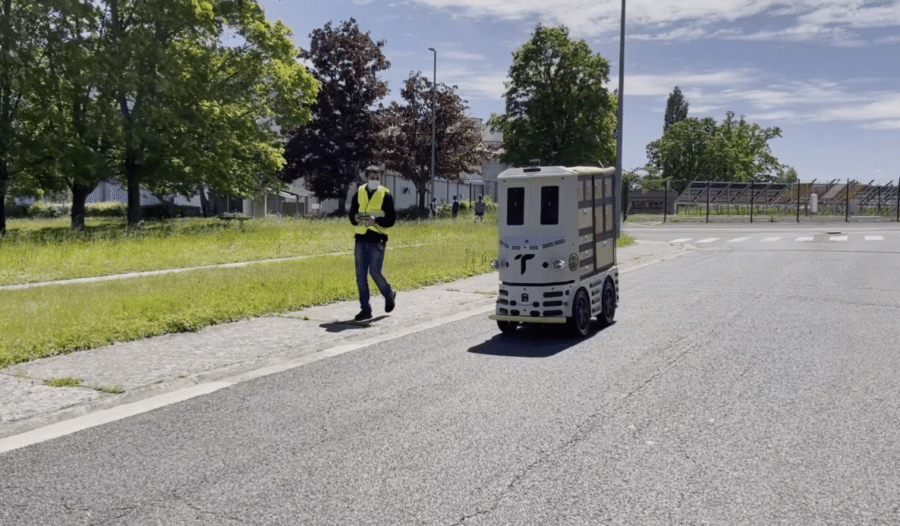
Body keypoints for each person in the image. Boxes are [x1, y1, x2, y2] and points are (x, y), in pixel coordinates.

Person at [348, 165, 396, 321]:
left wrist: (376, 220)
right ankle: (365, 308)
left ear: (380, 179)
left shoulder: (386, 194)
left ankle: (389, 294)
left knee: (375, 272)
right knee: (360, 276)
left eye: (377, 178)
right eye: (371, 178)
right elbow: (352, 214)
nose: (374, 181)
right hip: (361, 238)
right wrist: (355, 218)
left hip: (378, 238)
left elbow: (391, 220)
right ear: (366, 178)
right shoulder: (359, 192)